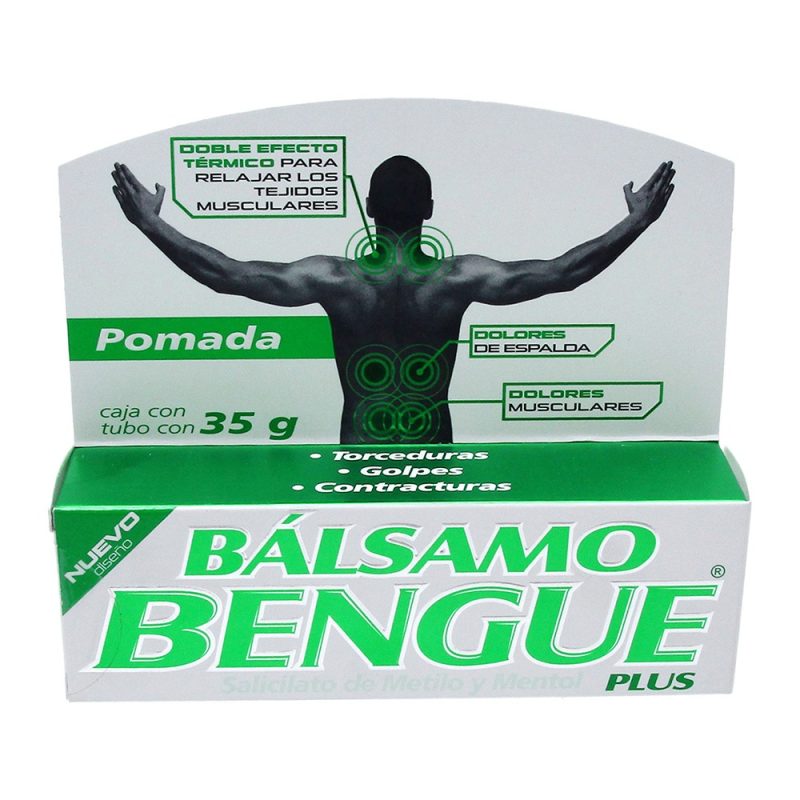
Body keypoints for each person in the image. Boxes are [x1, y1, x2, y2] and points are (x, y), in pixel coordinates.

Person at [111, 155, 675, 444]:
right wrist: (637, 222)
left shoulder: (334, 278)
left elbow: (226, 275)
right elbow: (563, 273)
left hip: (362, 454)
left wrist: (150, 224)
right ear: (429, 209)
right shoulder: (459, 277)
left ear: (369, 209)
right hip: (433, 455)